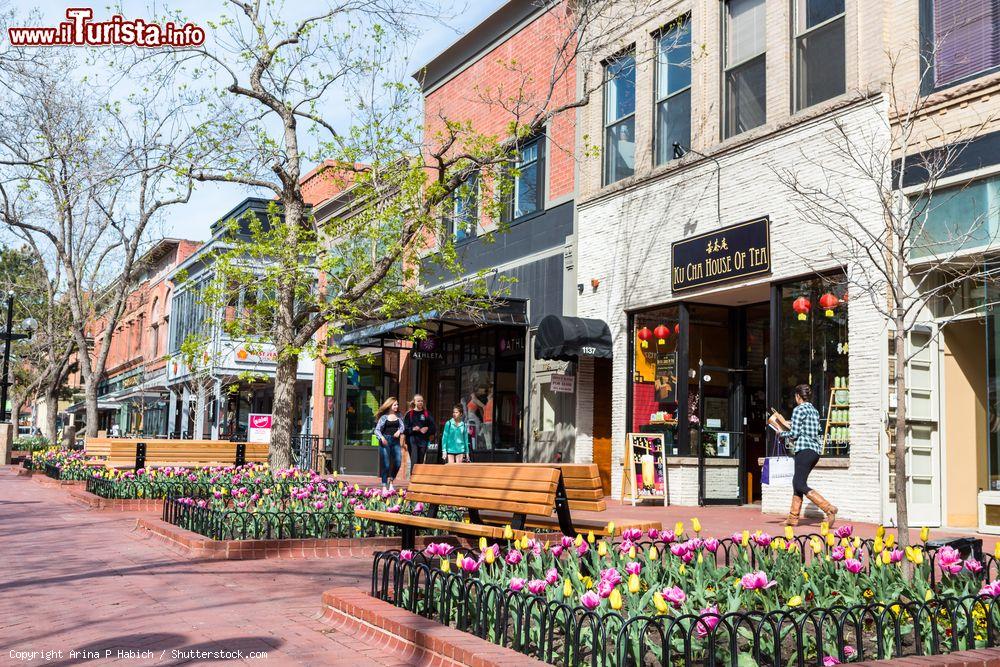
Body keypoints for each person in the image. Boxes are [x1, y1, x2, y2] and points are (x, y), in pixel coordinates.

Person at [780, 384, 838, 527]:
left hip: (804, 449)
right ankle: (793, 518)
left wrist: (781, 433)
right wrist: (791, 424)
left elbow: (794, 434)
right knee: (797, 482)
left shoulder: (798, 409)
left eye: (795, 396)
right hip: (814, 451)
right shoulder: (814, 411)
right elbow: (814, 429)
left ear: (798, 396)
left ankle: (829, 509)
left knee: (799, 483)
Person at [373, 397, 404, 490]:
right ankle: (384, 485)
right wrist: (381, 437)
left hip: (395, 441)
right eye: (395, 404)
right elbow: (377, 430)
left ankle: (391, 481)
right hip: (385, 441)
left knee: (398, 462)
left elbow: (403, 427)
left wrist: (399, 431)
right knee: (386, 464)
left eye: (397, 404)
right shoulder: (384, 417)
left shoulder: (399, 416)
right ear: (390, 405)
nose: (396, 406)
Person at [403, 394, 436, 475]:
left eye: (421, 401)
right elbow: (404, 429)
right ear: (414, 402)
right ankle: (413, 478)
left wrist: (427, 429)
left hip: (423, 441)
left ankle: (418, 478)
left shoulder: (427, 413)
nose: (420, 402)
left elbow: (433, 427)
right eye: (418, 401)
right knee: (414, 460)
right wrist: (413, 429)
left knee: (420, 461)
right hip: (412, 440)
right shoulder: (409, 414)